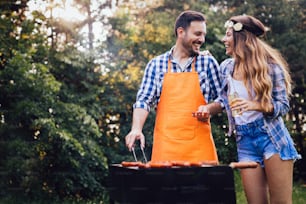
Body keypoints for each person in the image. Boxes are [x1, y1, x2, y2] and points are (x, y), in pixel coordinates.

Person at [217, 15, 301, 203]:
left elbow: (282, 106)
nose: (224, 39)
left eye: (228, 35)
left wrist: (256, 105)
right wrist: (207, 109)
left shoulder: (271, 68)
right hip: (245, 140)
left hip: (272, 138)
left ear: (243, 38)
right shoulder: (226, 68)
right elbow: (222, 101)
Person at [125, 10, 222, 163]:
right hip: (165, 150)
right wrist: (136, 128)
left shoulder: (208, 63)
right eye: (197, 34)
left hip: (200, 151)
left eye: (203, 35)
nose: (202, 39)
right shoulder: (156, 65)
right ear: (181, 32)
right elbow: (144, 101)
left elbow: (223, 100)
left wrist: (209, 109)